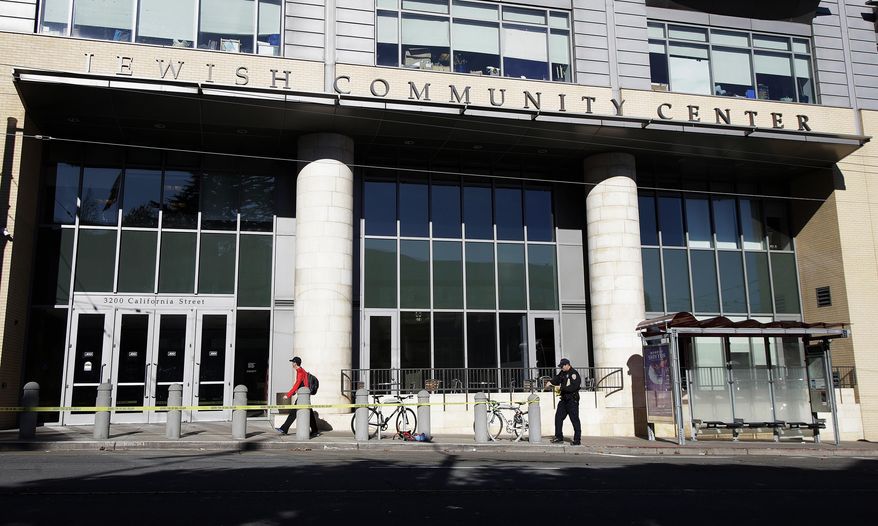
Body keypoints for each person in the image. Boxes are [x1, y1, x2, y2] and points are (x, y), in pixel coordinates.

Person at [276, 356, 319, 437]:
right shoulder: (302, 370)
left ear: (295, 363)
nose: (292, 364)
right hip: (304, 395)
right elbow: (302, 383)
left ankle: (284, 429)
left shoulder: (299, 371)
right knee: (309, 413)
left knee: (294, 412)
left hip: (303, 396)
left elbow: (297, 384)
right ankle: (315, 431)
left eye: (293, 362)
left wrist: (288, 395)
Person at [545, 358, 582, 445]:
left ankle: (577, 440)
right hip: (564, 400)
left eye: (562, 366)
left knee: (574, 419)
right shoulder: (563, 373)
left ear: (567, 365)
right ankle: (559, 437)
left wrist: (561, 388)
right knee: (558, 417)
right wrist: (550, 382)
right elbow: (557, 379)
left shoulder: (574, 374)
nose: (561, 368)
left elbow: (574, 386)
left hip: (572, 400)